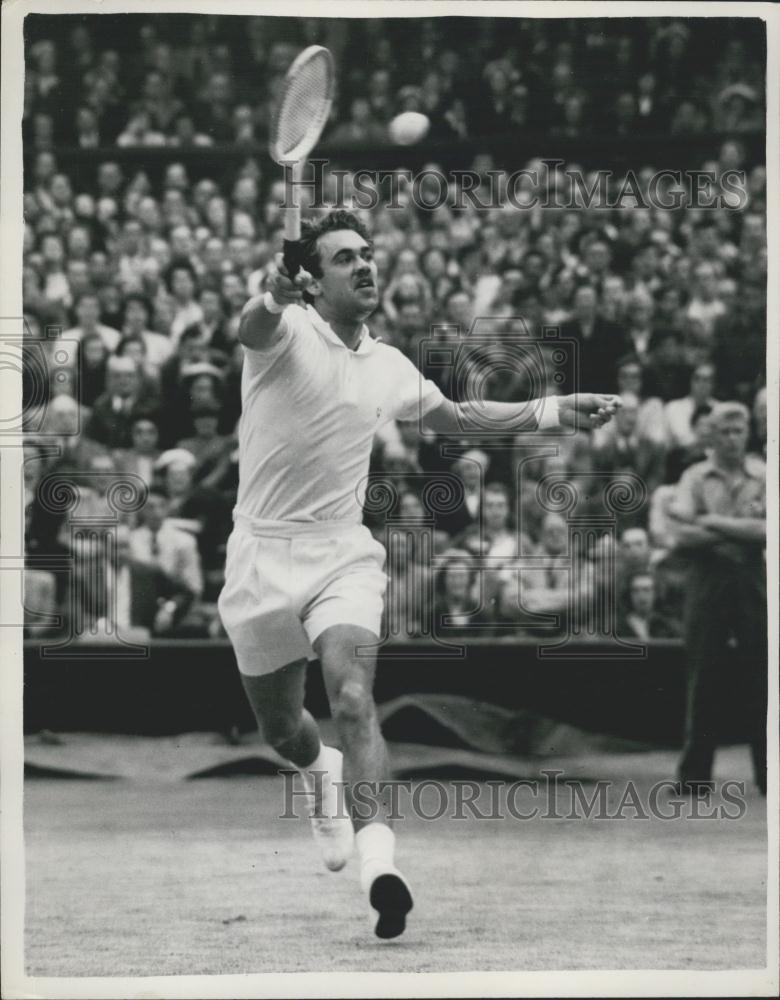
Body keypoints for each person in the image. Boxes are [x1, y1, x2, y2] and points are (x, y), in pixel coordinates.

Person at [216, 209, 621, 939]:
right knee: (283, 730)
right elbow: (251, 325)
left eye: (368, 252)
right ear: (314, 280)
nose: (366, 264)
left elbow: (459, 417)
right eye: (345, 257)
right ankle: (318, 771)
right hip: (259, 557)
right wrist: (272, 294)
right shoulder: (285, 332)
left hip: (341, 555)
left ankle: (380, 866)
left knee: (352, 695)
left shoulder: (390, 365)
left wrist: (552, 408)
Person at [668, 402, 766, 795]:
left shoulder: (764, 474)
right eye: (724, 432)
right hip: (707, 580)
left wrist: (711, 521)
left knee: (763, 675)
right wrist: (741, 530)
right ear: (712, 435)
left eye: (737, 431)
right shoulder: (694, 476)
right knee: (703, 675)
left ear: (747, 434)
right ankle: (694, 777)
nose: (731, 439)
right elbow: (681, 534)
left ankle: (770, 774)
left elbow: (769, 531)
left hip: (752, 580)